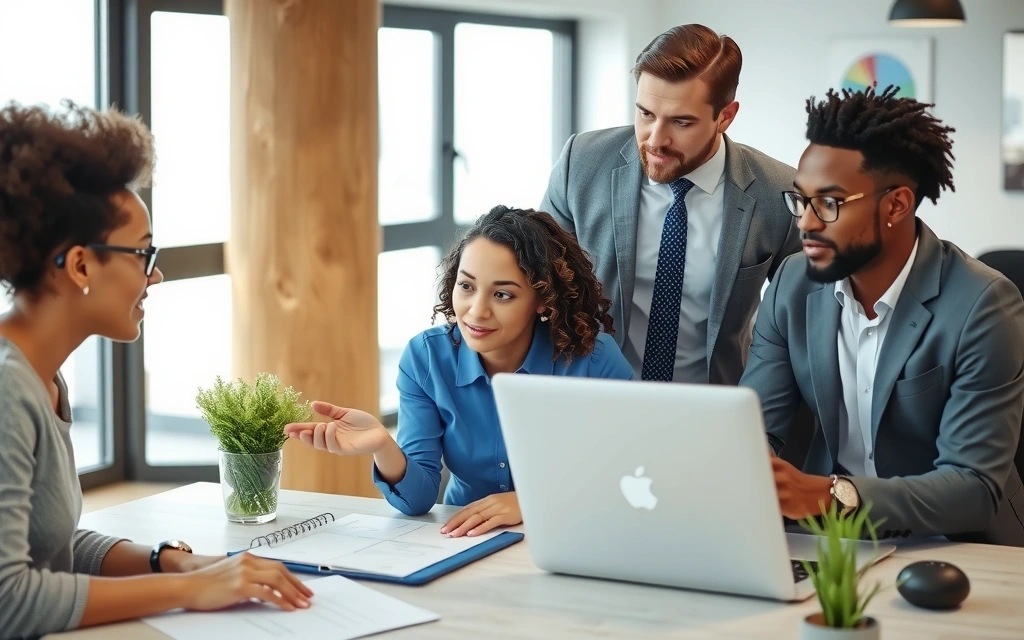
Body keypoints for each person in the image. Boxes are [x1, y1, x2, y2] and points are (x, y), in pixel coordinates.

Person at [0, 100, 312, 639]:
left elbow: (45, 545)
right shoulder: (7, 388)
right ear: (80, 265)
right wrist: (191, 591)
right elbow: (10, 600)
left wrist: (173, 561)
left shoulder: (42, 377)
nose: (157, 274)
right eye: (142, 254)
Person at [739, 85, 1024, 546]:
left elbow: (972, 487)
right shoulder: (793, 284)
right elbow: (752, 430)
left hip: (958, 543)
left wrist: (831, 496)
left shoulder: (984, 304)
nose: (806, 222)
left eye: (829, 203)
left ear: (896, 205)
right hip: (829, 541)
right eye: (800, 200)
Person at [285, 206, 633, 537]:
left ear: (543, 299)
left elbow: (624, 472)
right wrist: (382, 445)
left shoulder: (594, 359)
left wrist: (533, 502)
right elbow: (418, 501)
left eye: (502, 295)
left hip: (570, 532)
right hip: (462, 537)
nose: (476, 312)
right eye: (466, 286)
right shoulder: (426, 357)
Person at [541, 23, 801, 386]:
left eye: (681, 122)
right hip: (595, 400)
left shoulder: (779, 193)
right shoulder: (581, 164)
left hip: (714, 411)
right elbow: (540, 287)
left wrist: (769, 429)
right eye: (646, 113)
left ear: (725, 116)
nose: (655, 140)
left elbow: (797, 331)